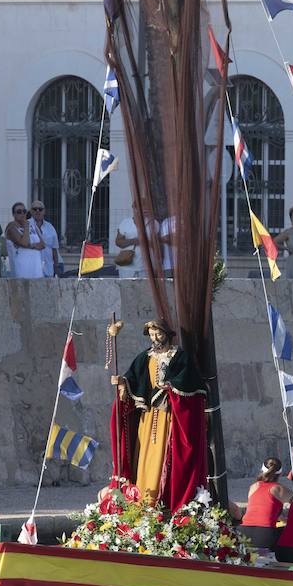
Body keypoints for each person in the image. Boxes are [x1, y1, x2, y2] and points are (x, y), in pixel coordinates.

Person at [112, 320, 209, 511]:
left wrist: (170, 389)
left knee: (163, 454)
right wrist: (122, 382)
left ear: (167, 334)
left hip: (169, 417)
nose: (155, 338)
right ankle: (143, 498)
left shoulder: (180, 357)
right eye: (151, 335)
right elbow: (134, 379)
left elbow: (191, 385)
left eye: (158, 334)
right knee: (144, 453)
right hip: (147, 416)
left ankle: (161, 497)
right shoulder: (144, 358)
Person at [239, 458, 291, 550]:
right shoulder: (279, 488)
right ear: (280, 474)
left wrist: (281, 518)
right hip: (266, 535)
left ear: (261, 470)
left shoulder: (253, 486)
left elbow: (261, 509)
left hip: (244, 533)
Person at [4, 202, 45, 279]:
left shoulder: (32, 226)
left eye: (24, 211)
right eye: (19, 212)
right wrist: (26, 226)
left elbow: (42, 245)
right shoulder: (12, 227)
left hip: (36, 270)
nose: (22, 214)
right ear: (13, 214)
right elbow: (25, 243)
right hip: (21, 271)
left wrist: (29, 246)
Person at [29, 201, 62, 278]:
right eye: (35, 209)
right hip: (32, 271)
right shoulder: (26, 225)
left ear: (44, 211)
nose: (37, 211)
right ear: (31, 211)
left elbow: (54, 249)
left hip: (48, 270)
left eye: (40, 209)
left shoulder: (50, 227)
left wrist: (56, 267)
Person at [114, 210, 145, 278]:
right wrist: (133, 241)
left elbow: (158, 245)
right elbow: (118, 242)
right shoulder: (125, 222)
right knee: (125, 288)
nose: (144, 209)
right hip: (127, 267)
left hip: (146, 268)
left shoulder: (154, 223)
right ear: (134, 208)